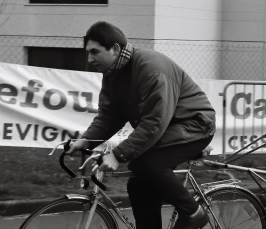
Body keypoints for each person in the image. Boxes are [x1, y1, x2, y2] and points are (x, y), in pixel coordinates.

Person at [67, 21, 216, 229]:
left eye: (95, 52)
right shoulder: (113, 74)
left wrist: (117, 155)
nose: (89, 59)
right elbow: (110, 115)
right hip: (169, 130)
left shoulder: (151, 69)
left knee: (145, 164)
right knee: (138, 184)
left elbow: (154, 123)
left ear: (116, 49)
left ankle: (193, 213)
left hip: (195, 126)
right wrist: (86, 141)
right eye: (88, 53)